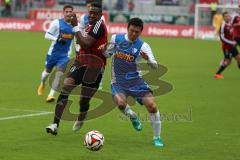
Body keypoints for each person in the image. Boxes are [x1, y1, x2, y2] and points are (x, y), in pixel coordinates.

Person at [46, 2, 108, 135]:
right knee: (66, 86)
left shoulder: (99, 26)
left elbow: (86, 44)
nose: (91, 15)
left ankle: (82, 114)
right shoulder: (88, 26)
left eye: (94, 13)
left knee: (83, 100)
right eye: (90, 12)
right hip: (81, 63)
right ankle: (55, 124)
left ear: (100, 15)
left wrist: (75, 27)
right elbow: (80, 42)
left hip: (95, 68)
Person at [104, 18, 163, 147]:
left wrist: (148, 60)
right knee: (120, 103)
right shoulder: (116, 39)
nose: (134, 34)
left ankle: (157, 137)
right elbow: (107, 54)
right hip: (118, 82)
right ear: (127, 28)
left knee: (152, 106)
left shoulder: (143, 46)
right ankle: (133, 116)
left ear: (141, 31)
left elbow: (155, 66)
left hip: (137, 82)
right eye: (132, 30)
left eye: (137, 32)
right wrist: (105, 49)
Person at [37, 5, 75, 102]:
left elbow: (77, 40)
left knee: (59, 74)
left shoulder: (75, 26)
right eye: (67, 11)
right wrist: (57, 39)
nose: (68, 13)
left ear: (72, 13)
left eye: (70, 11)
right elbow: (47, 35)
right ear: (63, 12)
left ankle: (51, 95)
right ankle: (42, 83)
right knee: (46, 73)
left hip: (65, 55)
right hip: (52, 54)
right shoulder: (57, 23)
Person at [76, 0, 105, 90]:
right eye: (88, 7)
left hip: (95, 44)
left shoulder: (100, 19)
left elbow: (101, 31)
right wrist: (79, 43)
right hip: (84, 43)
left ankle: (99, 81)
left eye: (91, 7)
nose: (90, 9)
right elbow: (81, 30)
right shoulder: (83, 17)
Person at [214, 12, 240, 79]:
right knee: (228, 62)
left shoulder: (230, 24)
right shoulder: (223, 25)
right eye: (226, 16)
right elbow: (222, 38)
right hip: (226, 47)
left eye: (228, 16)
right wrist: (231, 42)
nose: (227, 17)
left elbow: (232, 32)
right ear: (223, 17)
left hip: (232, 45)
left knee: (239, 58)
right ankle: (217, 74)